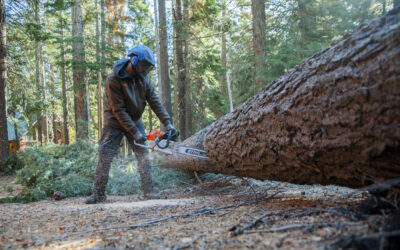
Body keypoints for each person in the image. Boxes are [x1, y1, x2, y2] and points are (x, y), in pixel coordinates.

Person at [86, 44, 175, 204]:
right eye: (144, 66)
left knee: (143, 156)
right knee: (105, 155)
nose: (146, 70)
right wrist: (135, 132)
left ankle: (148, 191)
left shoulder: (144, 79)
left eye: (148, 67)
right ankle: (98, 194)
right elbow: (118, 110)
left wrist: (167, 122)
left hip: (134, 120)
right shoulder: (114, 79)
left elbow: (154, 100)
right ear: (133, 61)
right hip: (114, 122)